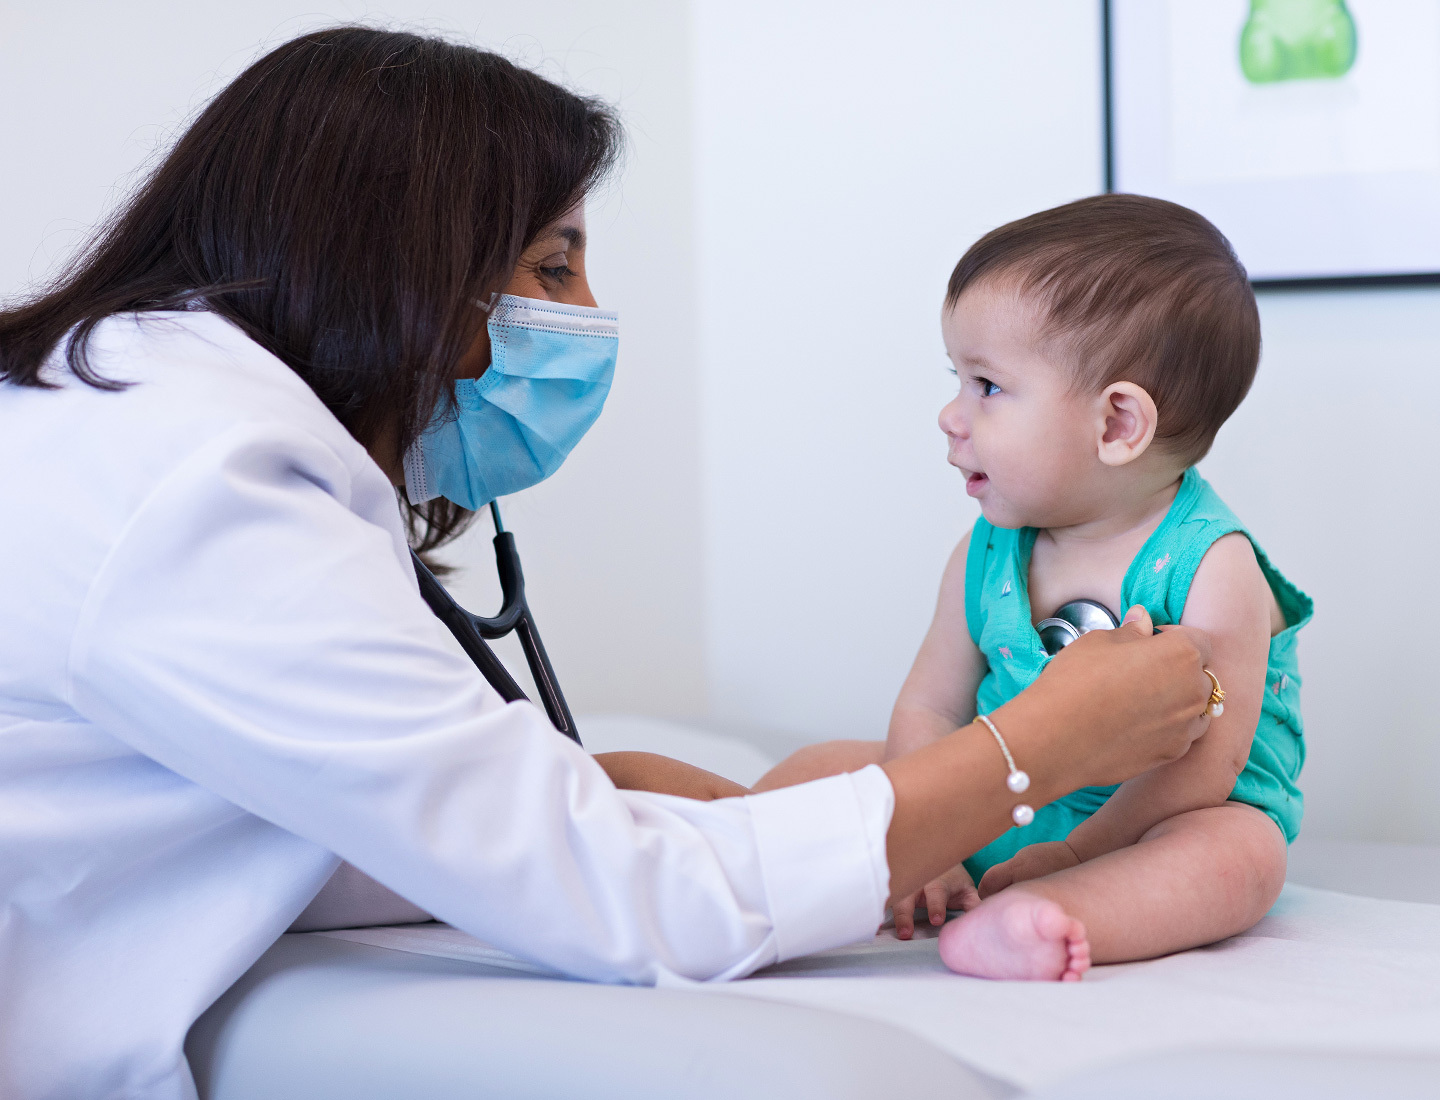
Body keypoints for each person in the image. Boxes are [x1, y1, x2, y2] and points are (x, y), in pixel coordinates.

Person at [0, 29, 1214, 1100]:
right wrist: (1043, 745)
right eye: (549, 266)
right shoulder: (201, 491)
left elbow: (327, 810)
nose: (585, 312)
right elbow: (630, 901)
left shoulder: (147, 421)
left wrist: (587, 787)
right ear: (404, 268)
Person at [757, 194, 1310, 982]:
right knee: (824, 765)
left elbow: (1202, 771)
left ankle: (1057, 915)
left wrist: (1077, 852)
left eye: (986, 385)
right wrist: (928, 839)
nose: (951, 415)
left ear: (1118, 424)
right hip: (992, 794)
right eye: (956, 378)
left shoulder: (1216, 569)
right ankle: (741, 857)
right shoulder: (986, 552)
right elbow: (931, 709)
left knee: (1242, 856)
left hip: (1145, 821)